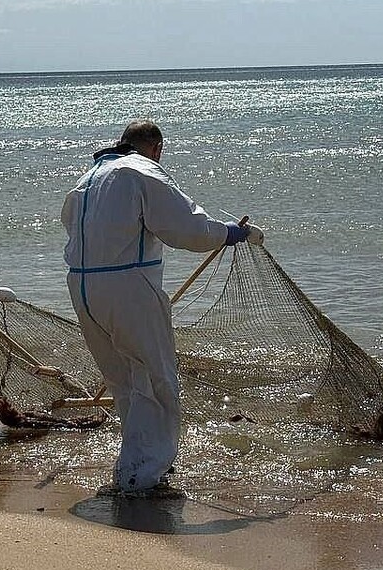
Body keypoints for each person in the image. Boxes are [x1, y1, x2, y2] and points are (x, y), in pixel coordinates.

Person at [61, 120, 264, 493]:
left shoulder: (88, 178)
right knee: (156, 378)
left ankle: (133, 463)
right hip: (127, 286)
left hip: (82, 286)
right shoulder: (142, 170)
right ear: (156, 149)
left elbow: (73, 226)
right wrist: (228, 233)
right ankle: (146, 476)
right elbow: (185, 227)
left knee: (124, 380)